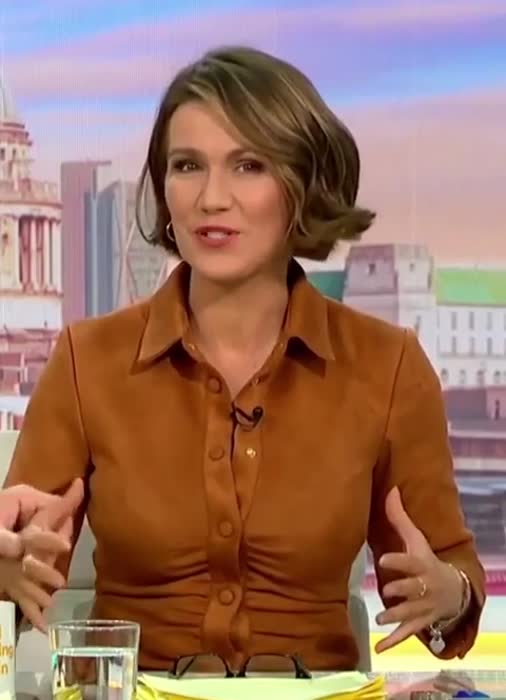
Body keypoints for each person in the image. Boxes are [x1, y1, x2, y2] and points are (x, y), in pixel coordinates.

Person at [0, 45, 484, 673]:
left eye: (248, 165)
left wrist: (448, 596)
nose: (211, 198)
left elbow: (451, 584)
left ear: (303, 185)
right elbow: (23, 557)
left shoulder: (387, 366)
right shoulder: (86, 360)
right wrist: (9, 568)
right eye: (187, 166)